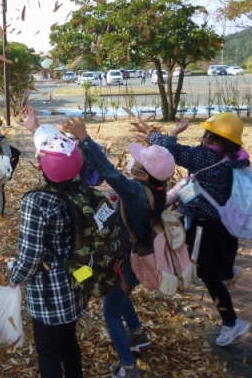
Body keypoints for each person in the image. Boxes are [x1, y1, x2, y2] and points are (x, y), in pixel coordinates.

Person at [65, 115, 176, 378]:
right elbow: (166, 158)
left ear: (144, 173)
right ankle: (138, 335)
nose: (132, 164)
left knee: (110, 310)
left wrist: (85, 139)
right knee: (118, 294)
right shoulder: (158, 186)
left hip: (129, 260)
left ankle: (128, 367)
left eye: (139, 163)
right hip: (134, 256)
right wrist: (159, 140)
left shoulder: (136, 192)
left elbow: (109, 173)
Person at [138, 113, 251, 347]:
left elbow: (172, 154)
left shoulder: (204, 156)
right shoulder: (236, 157)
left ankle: (231, 323)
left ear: (211, 134)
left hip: (207, 224)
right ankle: (226, 269)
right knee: (203, 255)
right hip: (227, 222)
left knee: (206, 273)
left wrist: (165, 135)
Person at [9, 113, 89, 378]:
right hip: (78, 279)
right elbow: (59, 151)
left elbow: (31, 253)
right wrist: (35, 128)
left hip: (49, 292)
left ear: (42, 168)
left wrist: (15, 276)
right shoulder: (80, 189)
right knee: (68, 339)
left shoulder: (37, 202)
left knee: (48, 350)